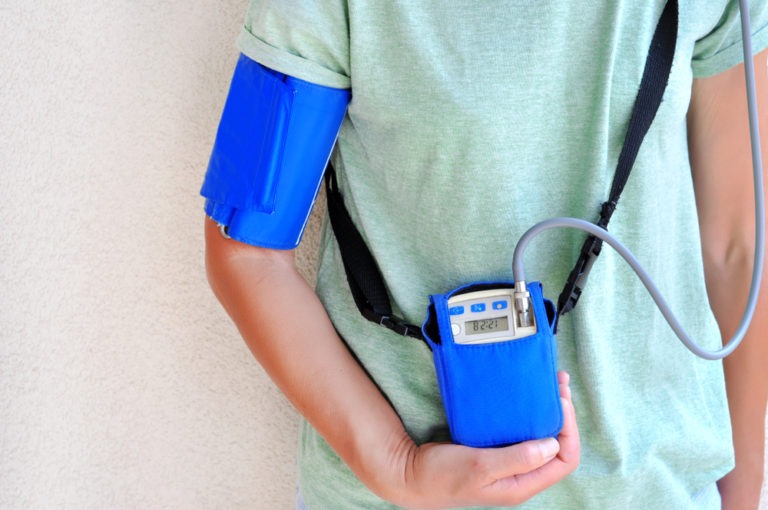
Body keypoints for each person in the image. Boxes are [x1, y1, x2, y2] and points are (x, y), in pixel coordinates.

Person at [202, 1, 768, 508]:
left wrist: (744, 496)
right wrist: (399, 467)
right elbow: (246, 250)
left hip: (659, 490)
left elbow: (738, 244)